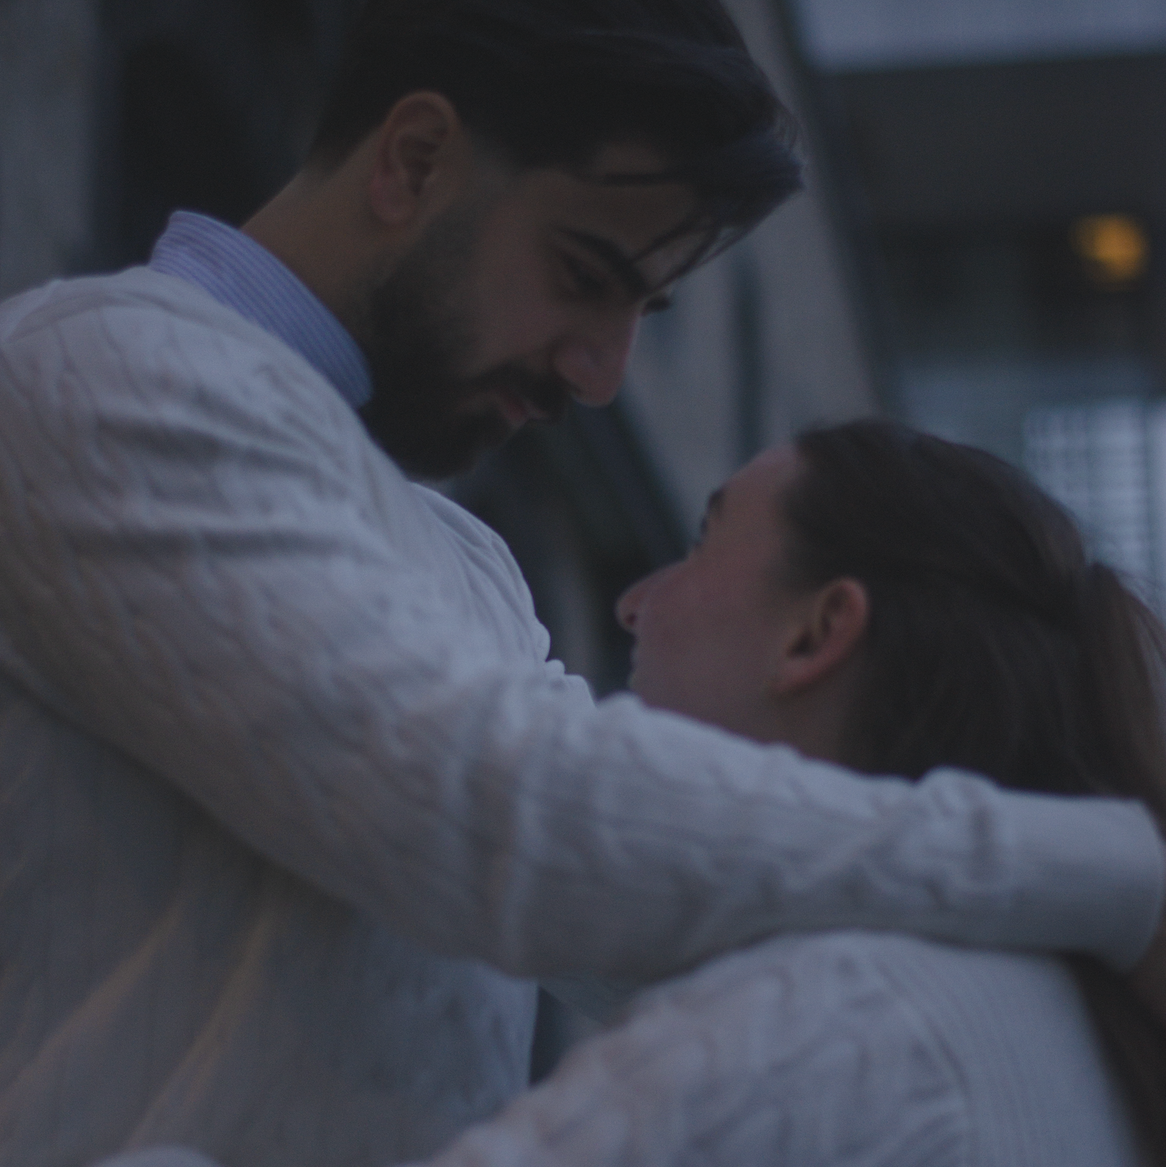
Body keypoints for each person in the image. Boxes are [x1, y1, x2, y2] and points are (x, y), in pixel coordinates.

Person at [0, 4, 1161, 1167]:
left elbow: (632, 875)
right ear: (414, 159)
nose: (601, 373)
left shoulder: (468, 557)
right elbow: (505, 812)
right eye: (581, 273)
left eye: (642, 312)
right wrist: (1096, 870)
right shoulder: (108, 371)